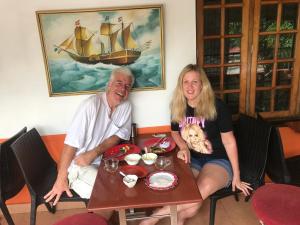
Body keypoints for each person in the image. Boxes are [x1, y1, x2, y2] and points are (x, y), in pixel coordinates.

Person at [140, 64, 252, 225]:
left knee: (196, 193)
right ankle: (174, 220)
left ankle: (151, 219)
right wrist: (184, 147)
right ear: (181, 85)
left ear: (202, 84)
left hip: (218, 160)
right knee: (190, 204)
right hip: (194, 159)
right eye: (186, 82)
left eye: (195, 82)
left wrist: (237, 176)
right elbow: (174, 132)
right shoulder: (178, 106)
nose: (190, 87)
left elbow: (229, 141)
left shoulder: (218, 107)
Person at [44, 67, 134, 207]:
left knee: (126, 184)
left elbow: (119, 135)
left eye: (127, 86)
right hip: (78, 164)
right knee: (108, 193)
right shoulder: (91, 105)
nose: (123, 89)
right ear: (109, 85)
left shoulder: (126, 106)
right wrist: (60, 179)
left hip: (101, 160)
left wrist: (94, 152)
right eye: (119, 83)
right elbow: (70, 144)